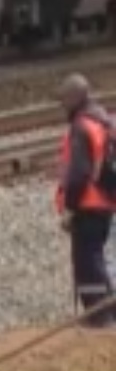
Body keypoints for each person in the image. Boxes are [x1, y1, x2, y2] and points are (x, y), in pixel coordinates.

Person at [55, 73, 116, 326]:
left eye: (64, 99)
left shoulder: (81, 127)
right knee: (96, 259)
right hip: (105, 202)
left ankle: (98, 318)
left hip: (87, 205)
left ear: (74, 98)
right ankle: (108, 311)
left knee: (86, 263)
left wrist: (70, 208)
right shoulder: (103, 121)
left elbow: (79, 174)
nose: (62, 105)